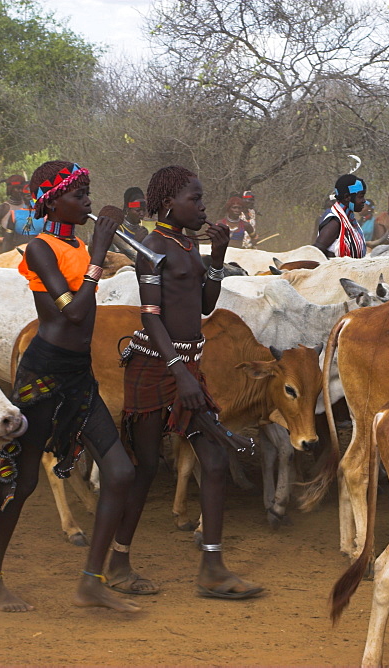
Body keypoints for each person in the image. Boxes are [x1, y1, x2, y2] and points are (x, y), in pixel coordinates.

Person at [0, 160, 139, 614]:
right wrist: (100, 255)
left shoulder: (77, 246)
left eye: (87, 192)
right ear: (52, 200)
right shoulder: (39, 249)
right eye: (78, 194)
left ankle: (92, 581)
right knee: (22, 482)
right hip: (43, 375)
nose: (87, 201)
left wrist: (102, 250)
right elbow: (74, 314)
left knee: (121, 473)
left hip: (78, 376)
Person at [116, 165, 263, 600]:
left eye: (201, 199)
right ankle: (118, 562)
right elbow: (150, 316)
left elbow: (204, 305)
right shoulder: (151, 247)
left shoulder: (186, 245)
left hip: (187, 367)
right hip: (154, 365)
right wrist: (180, 372)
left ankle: (212, 569)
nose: (203, 207)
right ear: (168, 204)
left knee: (214, 462)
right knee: (144, 469)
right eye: (194, 200)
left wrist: (216, 257)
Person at [312, 174, 368, 259]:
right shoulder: (334, 222)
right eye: (360, 196)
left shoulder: (350, 221)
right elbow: (316, 253)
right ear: (347, 197)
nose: (364, 200)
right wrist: (335, 259)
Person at [0, 175, 38, 251]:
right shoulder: (7, 211)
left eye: (21, 188)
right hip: (16, 252)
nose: (19, 191)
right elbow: (7, 240)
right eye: (17, 188)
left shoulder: (43, 215)